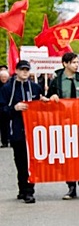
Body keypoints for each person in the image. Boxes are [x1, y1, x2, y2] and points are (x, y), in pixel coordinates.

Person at [46, 52, 79, 200]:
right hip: (64, 122)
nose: (76, 65)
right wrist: (52, 97)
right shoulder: (57, 81)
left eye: (77, 62)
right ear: (65, 64)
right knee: (68, 154)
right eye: (73, 62)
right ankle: (71, 186)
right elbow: (50, 96)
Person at [0, 61, 50, 203]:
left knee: (30, 162)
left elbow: (41, 105)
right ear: (16, 71)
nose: (25, 72)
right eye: (22, 70)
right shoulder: (7, 89)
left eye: (27, 70)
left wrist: (45, 102)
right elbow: (2, 109)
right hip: (16, 130)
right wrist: (14, 108)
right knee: (20, 162)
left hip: (33, 131)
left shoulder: (35, 87)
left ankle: (29, 190)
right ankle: (22, 188)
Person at [0, 69, 11, 147]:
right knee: (3, 126)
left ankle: (10, 139)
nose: (3, 79)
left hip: (9, 107)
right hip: (1, 108)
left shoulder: (10, 86)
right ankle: (4, 141)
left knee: (9, 125)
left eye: (5, 77)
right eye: (2, 77)